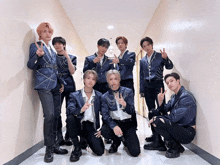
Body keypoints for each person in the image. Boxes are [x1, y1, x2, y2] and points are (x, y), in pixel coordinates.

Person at [27, 22, 68, 163]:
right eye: (45, 31)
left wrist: (61, 82)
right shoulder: (36, 46)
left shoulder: (51, 49)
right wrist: (37, 55)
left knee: (56, 115)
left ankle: (55, 145)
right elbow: (30, 65)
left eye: (50, 31)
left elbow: (54, 69)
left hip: (55, 86)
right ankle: (49, 149)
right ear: (39, 33)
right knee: (49, 115)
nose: (48, 34)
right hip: (43, 85)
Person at [145, 72, 196, 158]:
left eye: (171, 81)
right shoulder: (174, 97)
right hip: (178, 126)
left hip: (187, 132)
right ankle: (163, 143)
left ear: (178, 81)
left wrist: (157, 119)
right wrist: (160, 101)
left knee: (157, 120)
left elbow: (173, 118)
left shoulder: (185, 97)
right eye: (167, 83)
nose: (169, 84)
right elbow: (164, 110)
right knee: (153, 112)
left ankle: (175, 146)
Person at [139, 36, 173, 146]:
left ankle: (167, 137)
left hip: (158, 84)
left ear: (152, 44)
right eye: (144, 46)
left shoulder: (159, 56)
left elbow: (169, 66)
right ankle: (155, 136)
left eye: (148, 45)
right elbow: (141, 76)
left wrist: (166, 58)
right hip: (147, 86)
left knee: (161, 109)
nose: (146, 47)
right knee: (151, 111)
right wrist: (142, 89)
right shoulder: (142, 60)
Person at [66, 70, 105, 162]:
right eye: (88, 78)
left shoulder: (99, 96)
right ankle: (76, 146)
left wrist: (102, 129)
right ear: (83, 79)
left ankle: (85, 139)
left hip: (90, 126)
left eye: (93, 79)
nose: (90, 81)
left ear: (95, 82)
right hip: (78, 124)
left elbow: (105, 113)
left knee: (99, 151)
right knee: (70, 118)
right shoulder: (74, 95)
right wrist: (81, 110)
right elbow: (70, 110)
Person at [100, 70, 140, 157]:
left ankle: (124, 138)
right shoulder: (104, 96)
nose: (113, 81)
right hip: (115, 122)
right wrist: (114, 126)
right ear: (107, 80)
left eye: (115, 79)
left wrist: (125, 105)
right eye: (111, 79)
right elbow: (105, 115)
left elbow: (132, 111)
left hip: (128, 123)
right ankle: (116, 141)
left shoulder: (128, 91)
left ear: (119, 80)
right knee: (104, 131)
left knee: (135, 152)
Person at [52, 36, 77, 146]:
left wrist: (67, 56)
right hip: (57, 85)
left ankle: (69, 136)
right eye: (55, 44)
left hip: (70, 85)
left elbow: (72, 71)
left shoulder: (72, 57)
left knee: (70, 111)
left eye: (59, 43)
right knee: (57, 112)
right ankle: (59, 137)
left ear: (64, 45)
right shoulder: (52, 57)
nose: (57, 45)